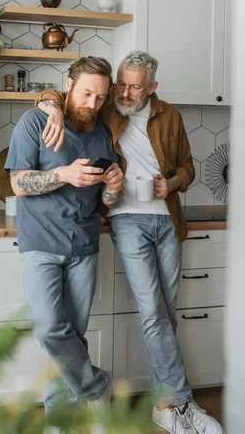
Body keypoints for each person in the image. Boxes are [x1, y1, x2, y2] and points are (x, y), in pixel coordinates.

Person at [35, 50, 224, 434]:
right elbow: (63, 94)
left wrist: (171, 183)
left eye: (133, 86)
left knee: (165, 317)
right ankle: (182, 402)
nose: (123, 92)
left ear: (152, 87)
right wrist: (50, 107)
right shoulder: (106, 110)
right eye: (120, 83)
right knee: (154, 314)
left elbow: (188, 166)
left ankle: (163, 406)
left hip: (168, 220)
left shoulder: (170, 115)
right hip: (125, 219)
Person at [4, 57, 124, 434]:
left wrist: (113, 189)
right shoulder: (36, 122)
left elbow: (105, 203)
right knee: (51, 330)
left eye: (100, 97)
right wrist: (64, 174)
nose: (92, 103)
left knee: (71, 337)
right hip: (41, 242)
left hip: (85, 244)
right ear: (68, 84)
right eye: (86, 93)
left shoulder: (102, 133)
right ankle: (96, 387)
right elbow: (18, 184)